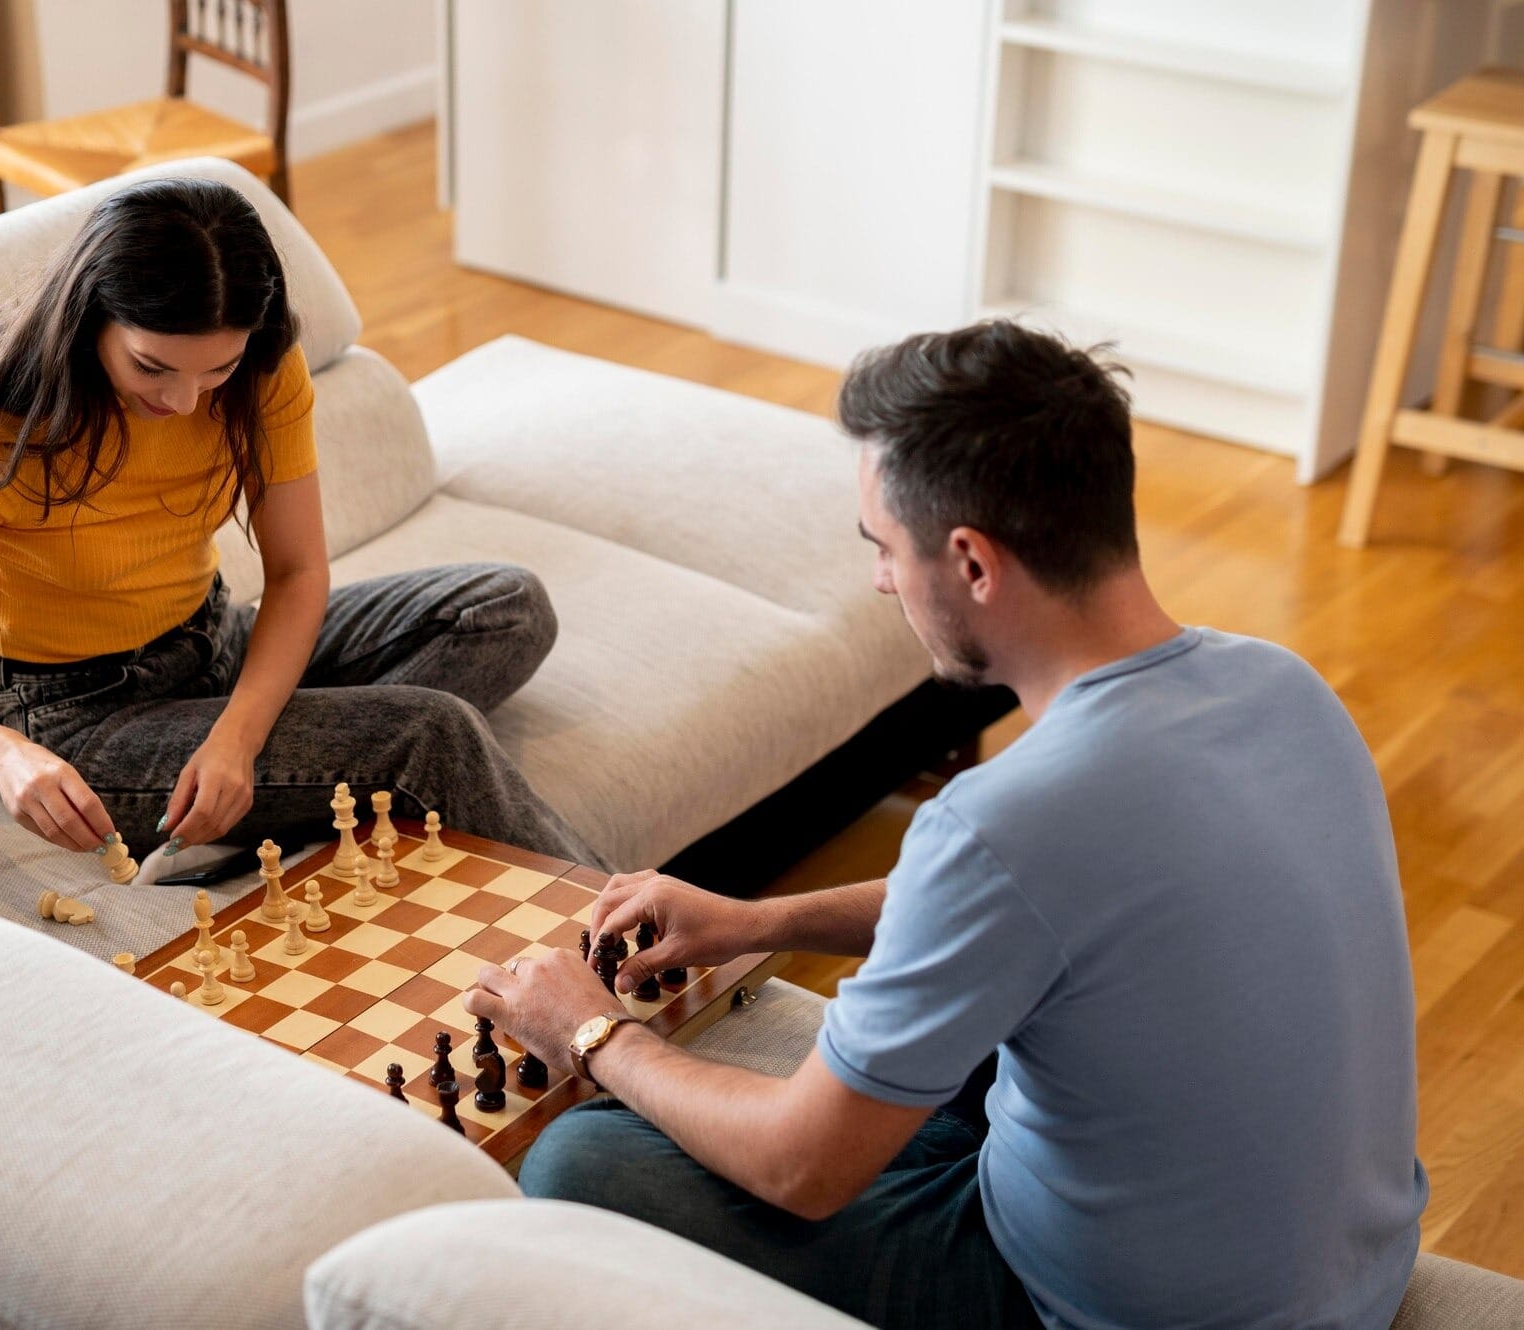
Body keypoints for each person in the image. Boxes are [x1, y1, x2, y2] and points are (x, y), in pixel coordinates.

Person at [466, 321, 1426, 1329]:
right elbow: (1042, 905)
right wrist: (757, 920)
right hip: (1354, 1271)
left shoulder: (1002, 821)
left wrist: (590, 1028)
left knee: (578, 1154)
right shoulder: (1285, 687)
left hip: (1108, 1311)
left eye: (883, 547)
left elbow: (803, 1169)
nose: (881, 580)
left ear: (970, 561)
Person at [0, 176, 592, 866]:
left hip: (217, 642)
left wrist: (238, 739)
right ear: (88, 318)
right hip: (87, 721)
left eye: (217, 370)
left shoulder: (265, 373)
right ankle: (626, 933)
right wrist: (4, 757)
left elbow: (298, 571)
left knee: (505, 609)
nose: (186, 402)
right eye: (152, 367)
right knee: (431, 732)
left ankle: (297, 786)